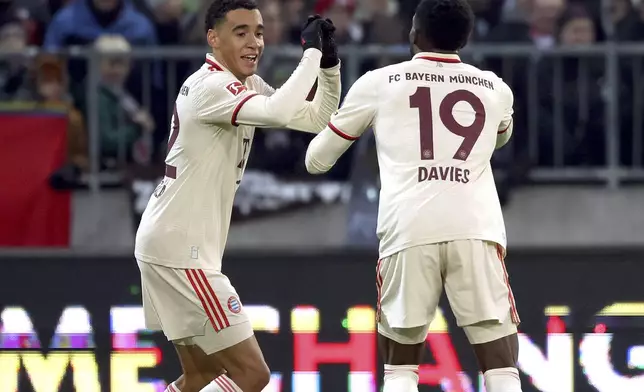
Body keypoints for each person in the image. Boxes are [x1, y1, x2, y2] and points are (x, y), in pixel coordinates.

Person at [304, 0, 521, 391]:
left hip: (407, 230)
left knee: (401, 365)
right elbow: (501, 138)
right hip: (475, 228)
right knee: (500, 363)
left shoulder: (378, 83)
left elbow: (316, 161)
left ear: (414, 33)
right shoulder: (495, 88)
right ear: (466, 37)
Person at [133, 0, 342, 391]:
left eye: (259, 32)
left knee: (202, 375)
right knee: (252, 374)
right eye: (241, 32)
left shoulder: (241, 85)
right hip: (183, 251)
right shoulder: (211, 87)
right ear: (213, 38)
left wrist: (328, 63)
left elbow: (319, 117)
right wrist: (311, 52)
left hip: (171, 243)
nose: (254, 42)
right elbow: (280, 113)